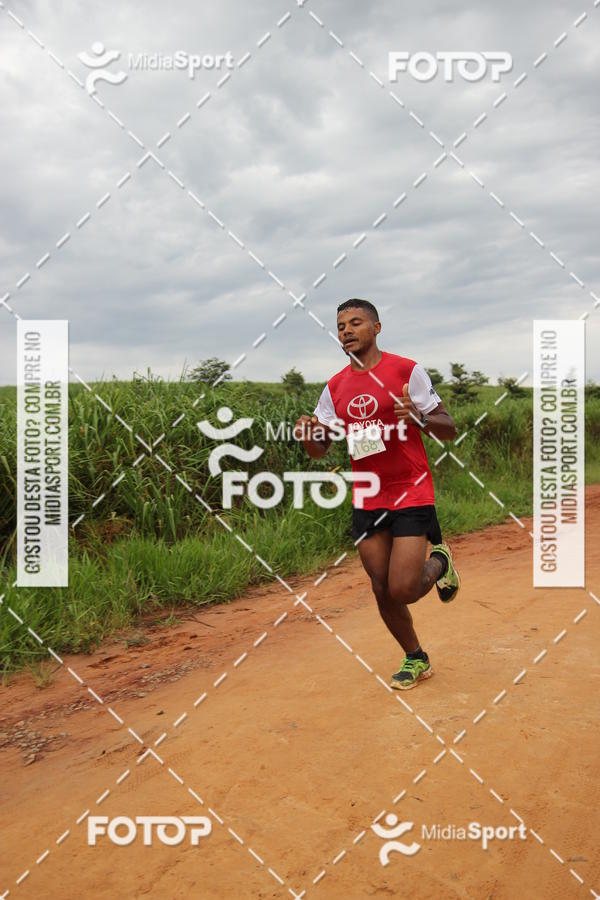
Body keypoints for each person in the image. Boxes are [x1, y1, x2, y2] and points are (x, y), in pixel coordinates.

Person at [294, 298, 460, 690]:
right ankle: (415, 657)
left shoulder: (406, 370)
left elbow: (448, 426)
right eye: (340, 326)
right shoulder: (335, 387)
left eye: (355, 323)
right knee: (382, 588)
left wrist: (418, 418)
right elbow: (321, 448)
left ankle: (440, 561)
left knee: (403, 587)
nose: (347, 331)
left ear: (376, 328)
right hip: (369, 496)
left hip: (411, 489)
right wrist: (309, 437)